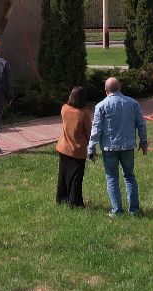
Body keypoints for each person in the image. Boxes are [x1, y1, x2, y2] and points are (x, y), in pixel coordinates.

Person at [88, 76, 147, 216]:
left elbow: (96, 129)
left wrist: (91, 148)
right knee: (129, 176)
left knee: (112, 178)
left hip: (109, 148)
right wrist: (143, 142)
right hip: (127, 146)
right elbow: (142, 124)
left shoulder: (101, 106)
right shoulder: (133, 103)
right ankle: (134, 210)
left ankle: (117, 211)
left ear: (105, 91)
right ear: (120, 87)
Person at [55, 86, 91, 207]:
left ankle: (62, 198)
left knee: (63, 174)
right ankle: (75, 202)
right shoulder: (84, 114)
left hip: (63, 148)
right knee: (76, 177)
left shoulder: (64, 109)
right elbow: (89, 132)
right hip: (78, 150)